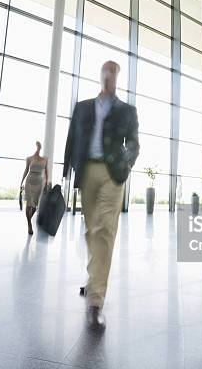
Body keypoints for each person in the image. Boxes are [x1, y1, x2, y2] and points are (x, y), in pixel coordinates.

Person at [63, 61, 140, 329]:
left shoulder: (127, 110)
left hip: (112, 173)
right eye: (104, 70)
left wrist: (126, 163)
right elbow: (72, 139)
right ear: (100, 74)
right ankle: (94, 276)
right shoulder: (83, 106)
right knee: (91, 230)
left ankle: (96, 300)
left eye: (113, 71)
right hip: (86, 172)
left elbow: (133, 143)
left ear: (117, 76)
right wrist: (67, 172)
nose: (108, 74)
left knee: (105, 229)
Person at [20, 141, 48, 235]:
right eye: (37, 146)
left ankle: (29, 219)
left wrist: (46, 184)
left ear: (41, 148)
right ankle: (29, 225)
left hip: (39, 182)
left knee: (34, 207)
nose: (38, 148)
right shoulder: (29, 158)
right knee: (28, 204)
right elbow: (26, 170)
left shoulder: (45, 159)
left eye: (39, 147)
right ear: (36, 147)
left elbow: (46, 173)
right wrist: (21, 182)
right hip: (29, 181)